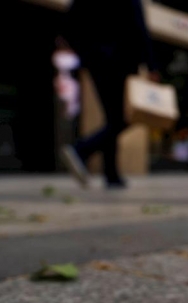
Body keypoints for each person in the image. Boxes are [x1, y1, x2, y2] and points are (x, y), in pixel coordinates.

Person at [60, 0, 158, 189]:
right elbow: (139, 27)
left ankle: (111, 173)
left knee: (112, 118)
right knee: (123, 119)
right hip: (122, 62)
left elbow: (69, 23)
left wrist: (86, 54)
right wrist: (152, 65)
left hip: (97, 63)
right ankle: (81, 150)